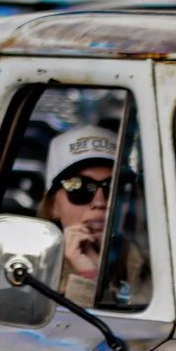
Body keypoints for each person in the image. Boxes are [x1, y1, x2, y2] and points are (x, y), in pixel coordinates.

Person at [34, 123, 146, 307]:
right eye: (78, 187)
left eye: (113, 187)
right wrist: (87, 279)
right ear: (53, 205)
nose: (100, 202)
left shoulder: (155, 269)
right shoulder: (32, 274)